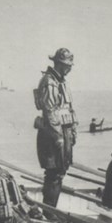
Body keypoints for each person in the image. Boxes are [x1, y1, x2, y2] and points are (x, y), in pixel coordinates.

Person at [33, 48, 78, 208]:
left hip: (63, 131)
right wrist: (58, 136)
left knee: (60, 172)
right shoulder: (49, 81)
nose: (70, 68)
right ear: (59, 64)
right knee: (54, 173)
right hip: (52, 133)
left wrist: (73, 131)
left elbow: (69, 108)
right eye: (68, 65)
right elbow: (49, 111)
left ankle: (51, 209)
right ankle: (49, 211)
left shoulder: (61, 82)